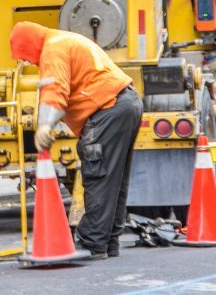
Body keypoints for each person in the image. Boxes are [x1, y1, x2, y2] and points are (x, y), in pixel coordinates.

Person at [10, 21, 143, 260]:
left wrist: (45, 126)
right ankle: (107, 241)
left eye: (25, 57)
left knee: (99, 175)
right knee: (115, 177)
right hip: (125, 103)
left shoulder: (53, 49)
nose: (28, 63)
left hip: (107, 108)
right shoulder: (65, 39)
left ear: (30, 45)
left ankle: (92, 242)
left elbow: (55, 90)